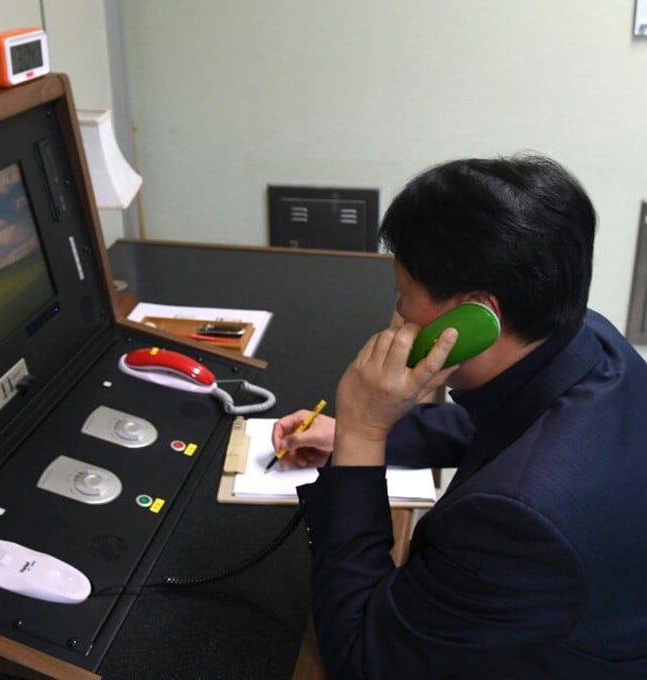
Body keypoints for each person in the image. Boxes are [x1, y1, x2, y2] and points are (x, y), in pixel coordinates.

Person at [272, 154, 647, 677]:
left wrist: (363, 431)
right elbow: (507, 422)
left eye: (404, 295)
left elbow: (359, 657)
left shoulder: (519, 522)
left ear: (476, 316)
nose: (399, 313)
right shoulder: (586, 338)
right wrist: (364, 436)